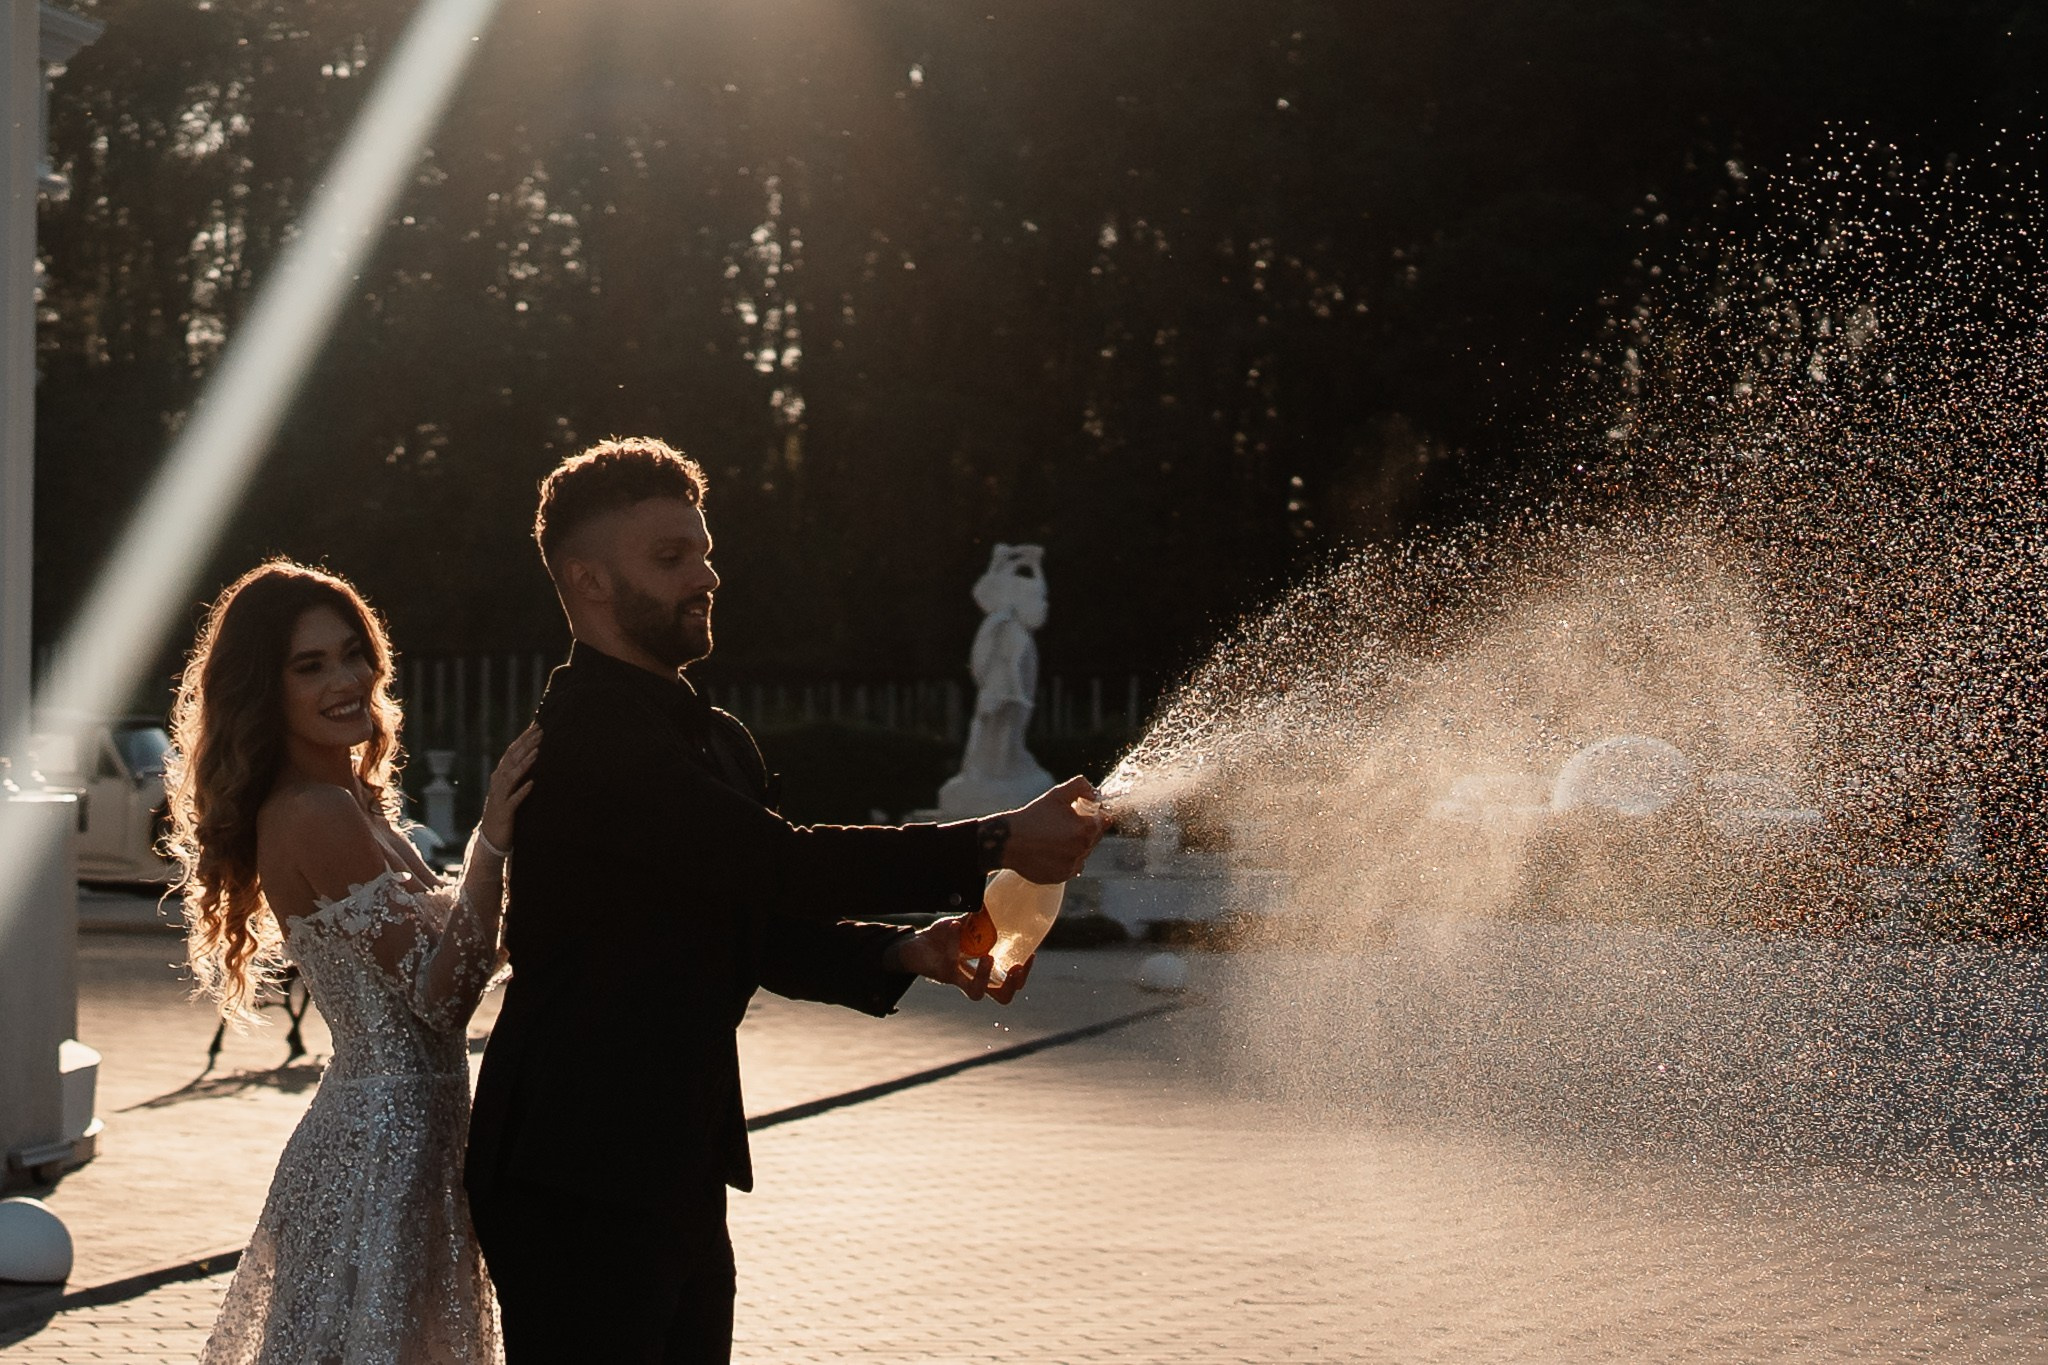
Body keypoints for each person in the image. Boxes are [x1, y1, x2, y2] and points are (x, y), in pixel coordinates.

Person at [465, 437, 1106, 1364]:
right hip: (570, 1167)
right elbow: (784, 862)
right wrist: (996, 841)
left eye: (705, 549)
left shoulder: (718, 738)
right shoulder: (585, 740)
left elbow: (759, 924)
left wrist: (907, 951)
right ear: (588, 581)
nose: (706, 575)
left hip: (678, 1157)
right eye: (671, 557)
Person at [166, 560, 536, 1364]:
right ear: (266, 692)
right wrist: (492, 841)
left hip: (413, 1147)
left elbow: (464, 953)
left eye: (352, 653)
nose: (345, 679)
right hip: (377, 1159)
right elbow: (442, 999)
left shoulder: (356, 803)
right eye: (310, 665)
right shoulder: (314, 812)